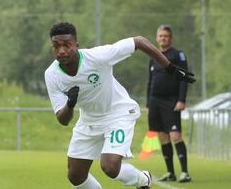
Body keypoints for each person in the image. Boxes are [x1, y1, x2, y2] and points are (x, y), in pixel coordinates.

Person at [44, 22, 195, 189]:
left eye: (67, 45)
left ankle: (142, 180)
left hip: (118, 114)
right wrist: (70, 104)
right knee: (75, 176)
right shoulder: (52, 75)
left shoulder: (97, 56)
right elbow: (62, 119)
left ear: (76, 45)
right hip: (88, 121)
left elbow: (138, 41)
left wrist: (170, 68)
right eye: (56, 46)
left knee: (109, 166)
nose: (62, 50)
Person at [146, 24, 194, 183]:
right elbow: (150, 81)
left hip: (171, 101)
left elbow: (184, 78)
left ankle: (185, 172)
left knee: (175, 135)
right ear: (157, 38)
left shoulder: (178, 55)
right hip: (155, 102)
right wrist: (148, 103)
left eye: (166, 36)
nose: (163, 38)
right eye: (160, 36)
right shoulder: (154, 56)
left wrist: (181, 99)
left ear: (170, 38)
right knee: (162, 137)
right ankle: (170, 172)